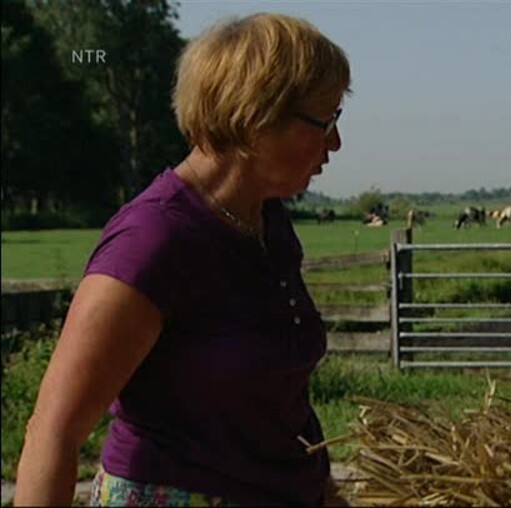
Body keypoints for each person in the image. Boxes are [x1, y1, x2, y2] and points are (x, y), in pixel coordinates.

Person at [14, 12, 351, 506]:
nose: (335, 143)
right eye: (326, 121)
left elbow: (277, 399)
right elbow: (53, 432)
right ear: (258, 115)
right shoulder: (152, 241)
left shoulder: (266, 222)